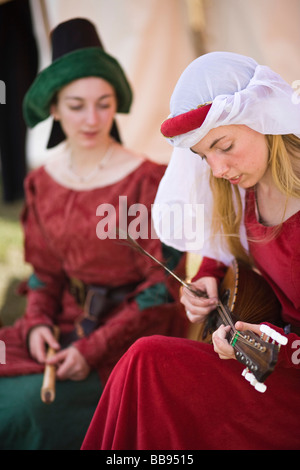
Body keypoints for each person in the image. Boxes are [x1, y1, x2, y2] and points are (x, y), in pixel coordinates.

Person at [81, 51, 300, 450]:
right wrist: (207, 278)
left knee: (152, 368)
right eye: (203, 156)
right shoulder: (244, 189)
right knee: (145, 360)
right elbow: (226, 249)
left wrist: (276, 346)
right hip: (264, 364)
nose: (217, 169)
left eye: (225, 145)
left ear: (265, 118)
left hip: (288, 381)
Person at [0, 18, 187, 450]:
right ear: (54, 108)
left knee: (23, 410)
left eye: (103, 104)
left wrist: (92, 349)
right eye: (77, 105)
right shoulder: (43, 182)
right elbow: (43, 276)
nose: (91, 119)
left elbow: (162, 289)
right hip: (63, 324)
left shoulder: (145, 182)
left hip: (132, 337)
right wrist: (36, 325)